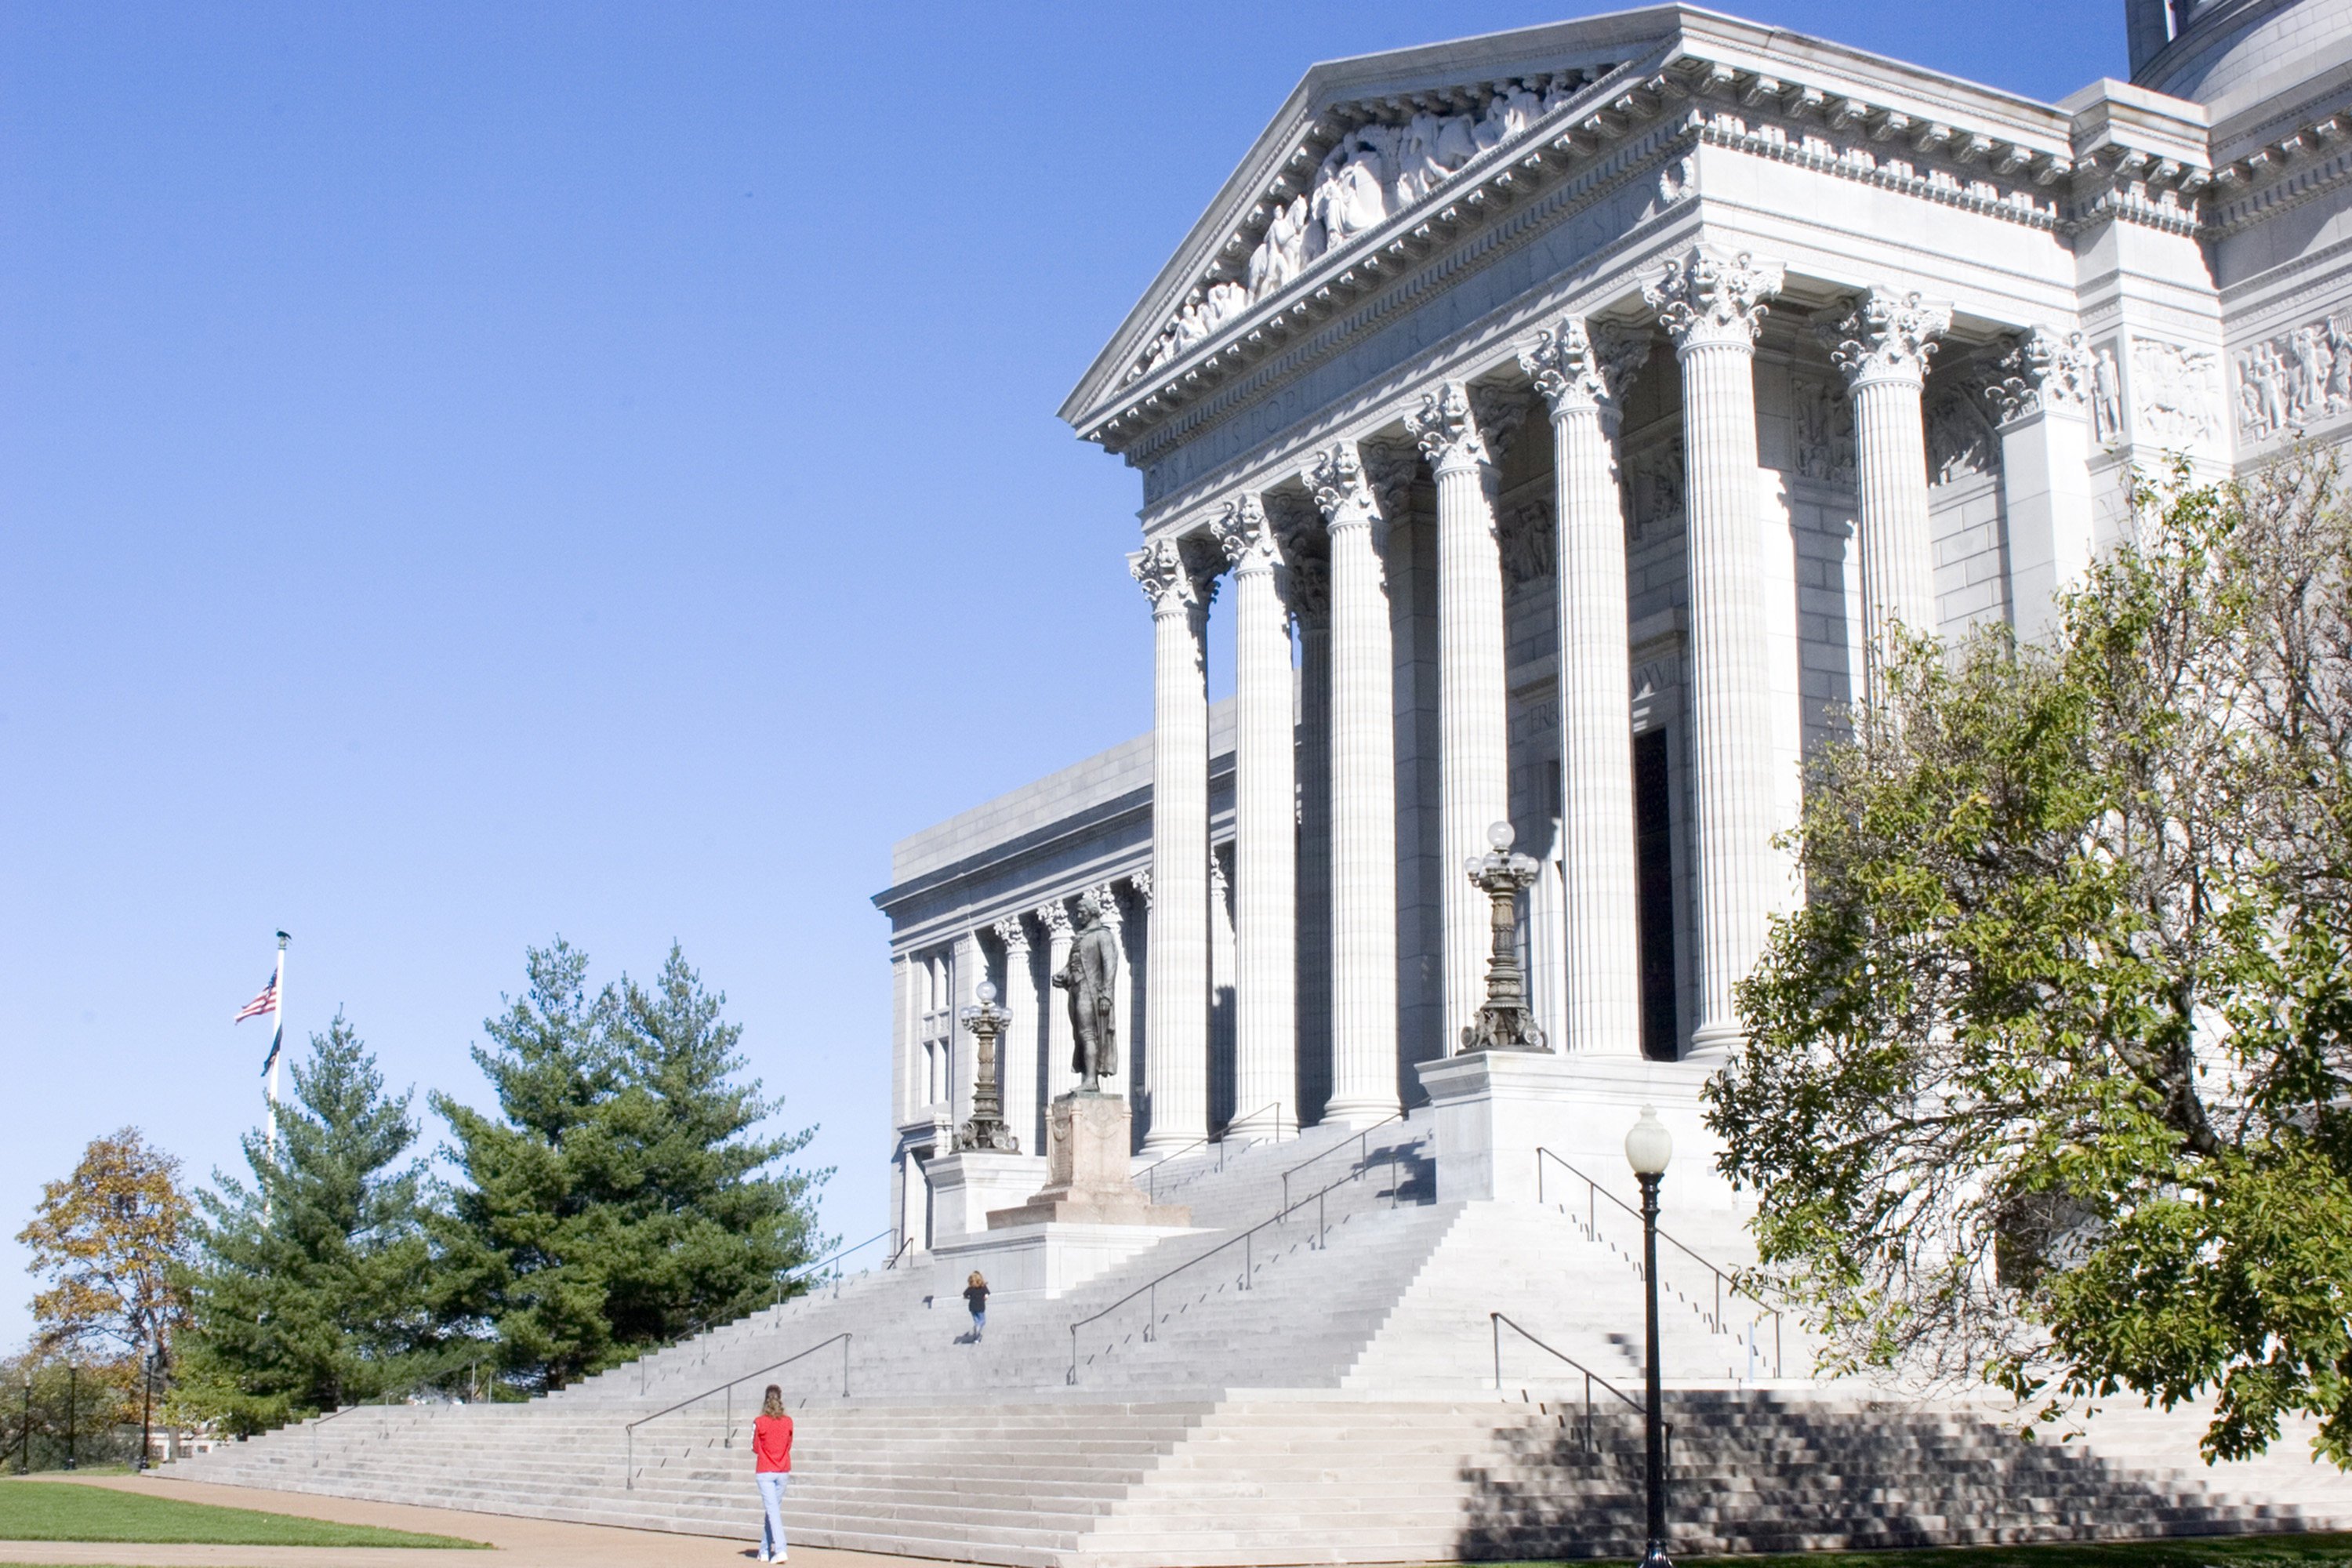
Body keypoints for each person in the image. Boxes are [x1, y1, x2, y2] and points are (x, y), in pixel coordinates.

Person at [752, 1384, 793, 1563]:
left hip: (765, 1470)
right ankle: (764, 1550)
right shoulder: (788, 1422)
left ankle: (781, 1548)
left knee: (772, 1511)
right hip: (783, 1469)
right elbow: (789, 1444)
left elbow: (755, 1447)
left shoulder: (759, 1422)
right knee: (772, 1510)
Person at [964, 1271, 989, 1343]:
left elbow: (964, 1295)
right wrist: (985, 1297)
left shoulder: (970, 1288)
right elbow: (987, 1295)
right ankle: (976, 1329)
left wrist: (968, 1297)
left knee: (977, 1321)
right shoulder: (983, 1286)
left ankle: (977, 1338)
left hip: (972, 1307)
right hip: (980, 1306)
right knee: (982, 1321)